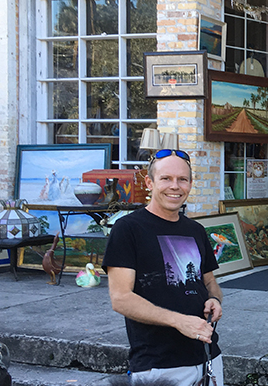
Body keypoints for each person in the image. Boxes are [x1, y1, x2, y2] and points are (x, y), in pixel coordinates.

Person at [102, 149, 225, 385]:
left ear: (190, 184)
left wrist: (215, 300)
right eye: (166, 178)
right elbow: (121, 299)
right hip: (159, 365)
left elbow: (209, 283)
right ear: (149, 182)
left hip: (208, 356)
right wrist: (179, 321)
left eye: (182, 179)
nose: (175, 186)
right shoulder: (128, 229)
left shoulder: (195, 230)